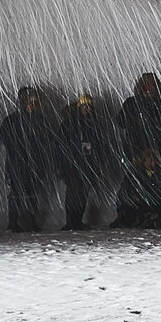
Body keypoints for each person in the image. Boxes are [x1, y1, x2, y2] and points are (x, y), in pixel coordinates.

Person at [0, 87, 62, 232]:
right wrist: (19, 145)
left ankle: (29, 221)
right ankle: (13, 222)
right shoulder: (13, 120)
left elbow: (50, 137)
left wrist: (36, 140)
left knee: (32, 192)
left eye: (34, 101)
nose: (31, 104)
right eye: (29, 101)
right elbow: (3, 138)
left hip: (34, 163)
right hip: (18, 164)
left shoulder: (39, 119)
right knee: (16, 193)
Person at [58, 94, 117, 231]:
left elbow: (102, 146)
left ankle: (77, 220)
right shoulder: (70, 123)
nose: (86, 109)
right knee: (72, 194)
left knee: (83, 194)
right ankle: (70, 221)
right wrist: (65, 164)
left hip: (88, 164)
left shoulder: (95, 124)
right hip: (73, 164)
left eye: (88, 106)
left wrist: (98, 163)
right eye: (84, 106)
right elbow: (61, 145)